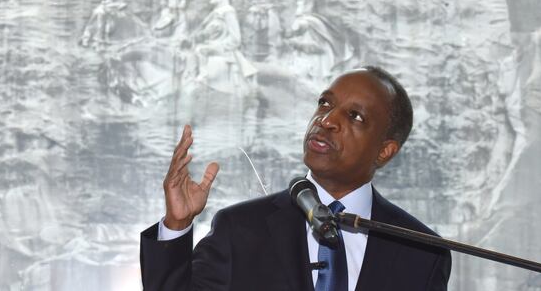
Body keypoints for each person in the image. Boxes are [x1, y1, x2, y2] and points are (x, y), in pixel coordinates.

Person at [140, 66, 452, 290]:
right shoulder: (242, 229)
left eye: (354, 116)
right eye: (325, 103)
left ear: (385, 151)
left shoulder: (421, 251)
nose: (327, 120)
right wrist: (177, 226)